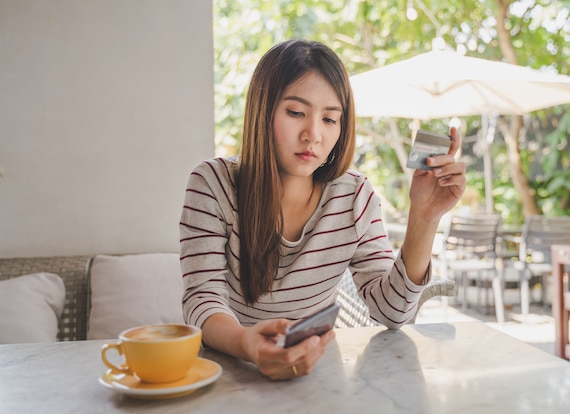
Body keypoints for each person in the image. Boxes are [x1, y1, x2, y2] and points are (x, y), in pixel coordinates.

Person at [179, 39, 466, 380]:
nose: (313, 134)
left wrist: (424, 217)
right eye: (296, 113)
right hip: (230, 372)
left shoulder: (354, 195)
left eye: (330, 119)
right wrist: (248, 344)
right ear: (262, 111)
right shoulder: (212, 184)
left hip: (314, 376)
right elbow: (202, 299)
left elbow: (392, 312)